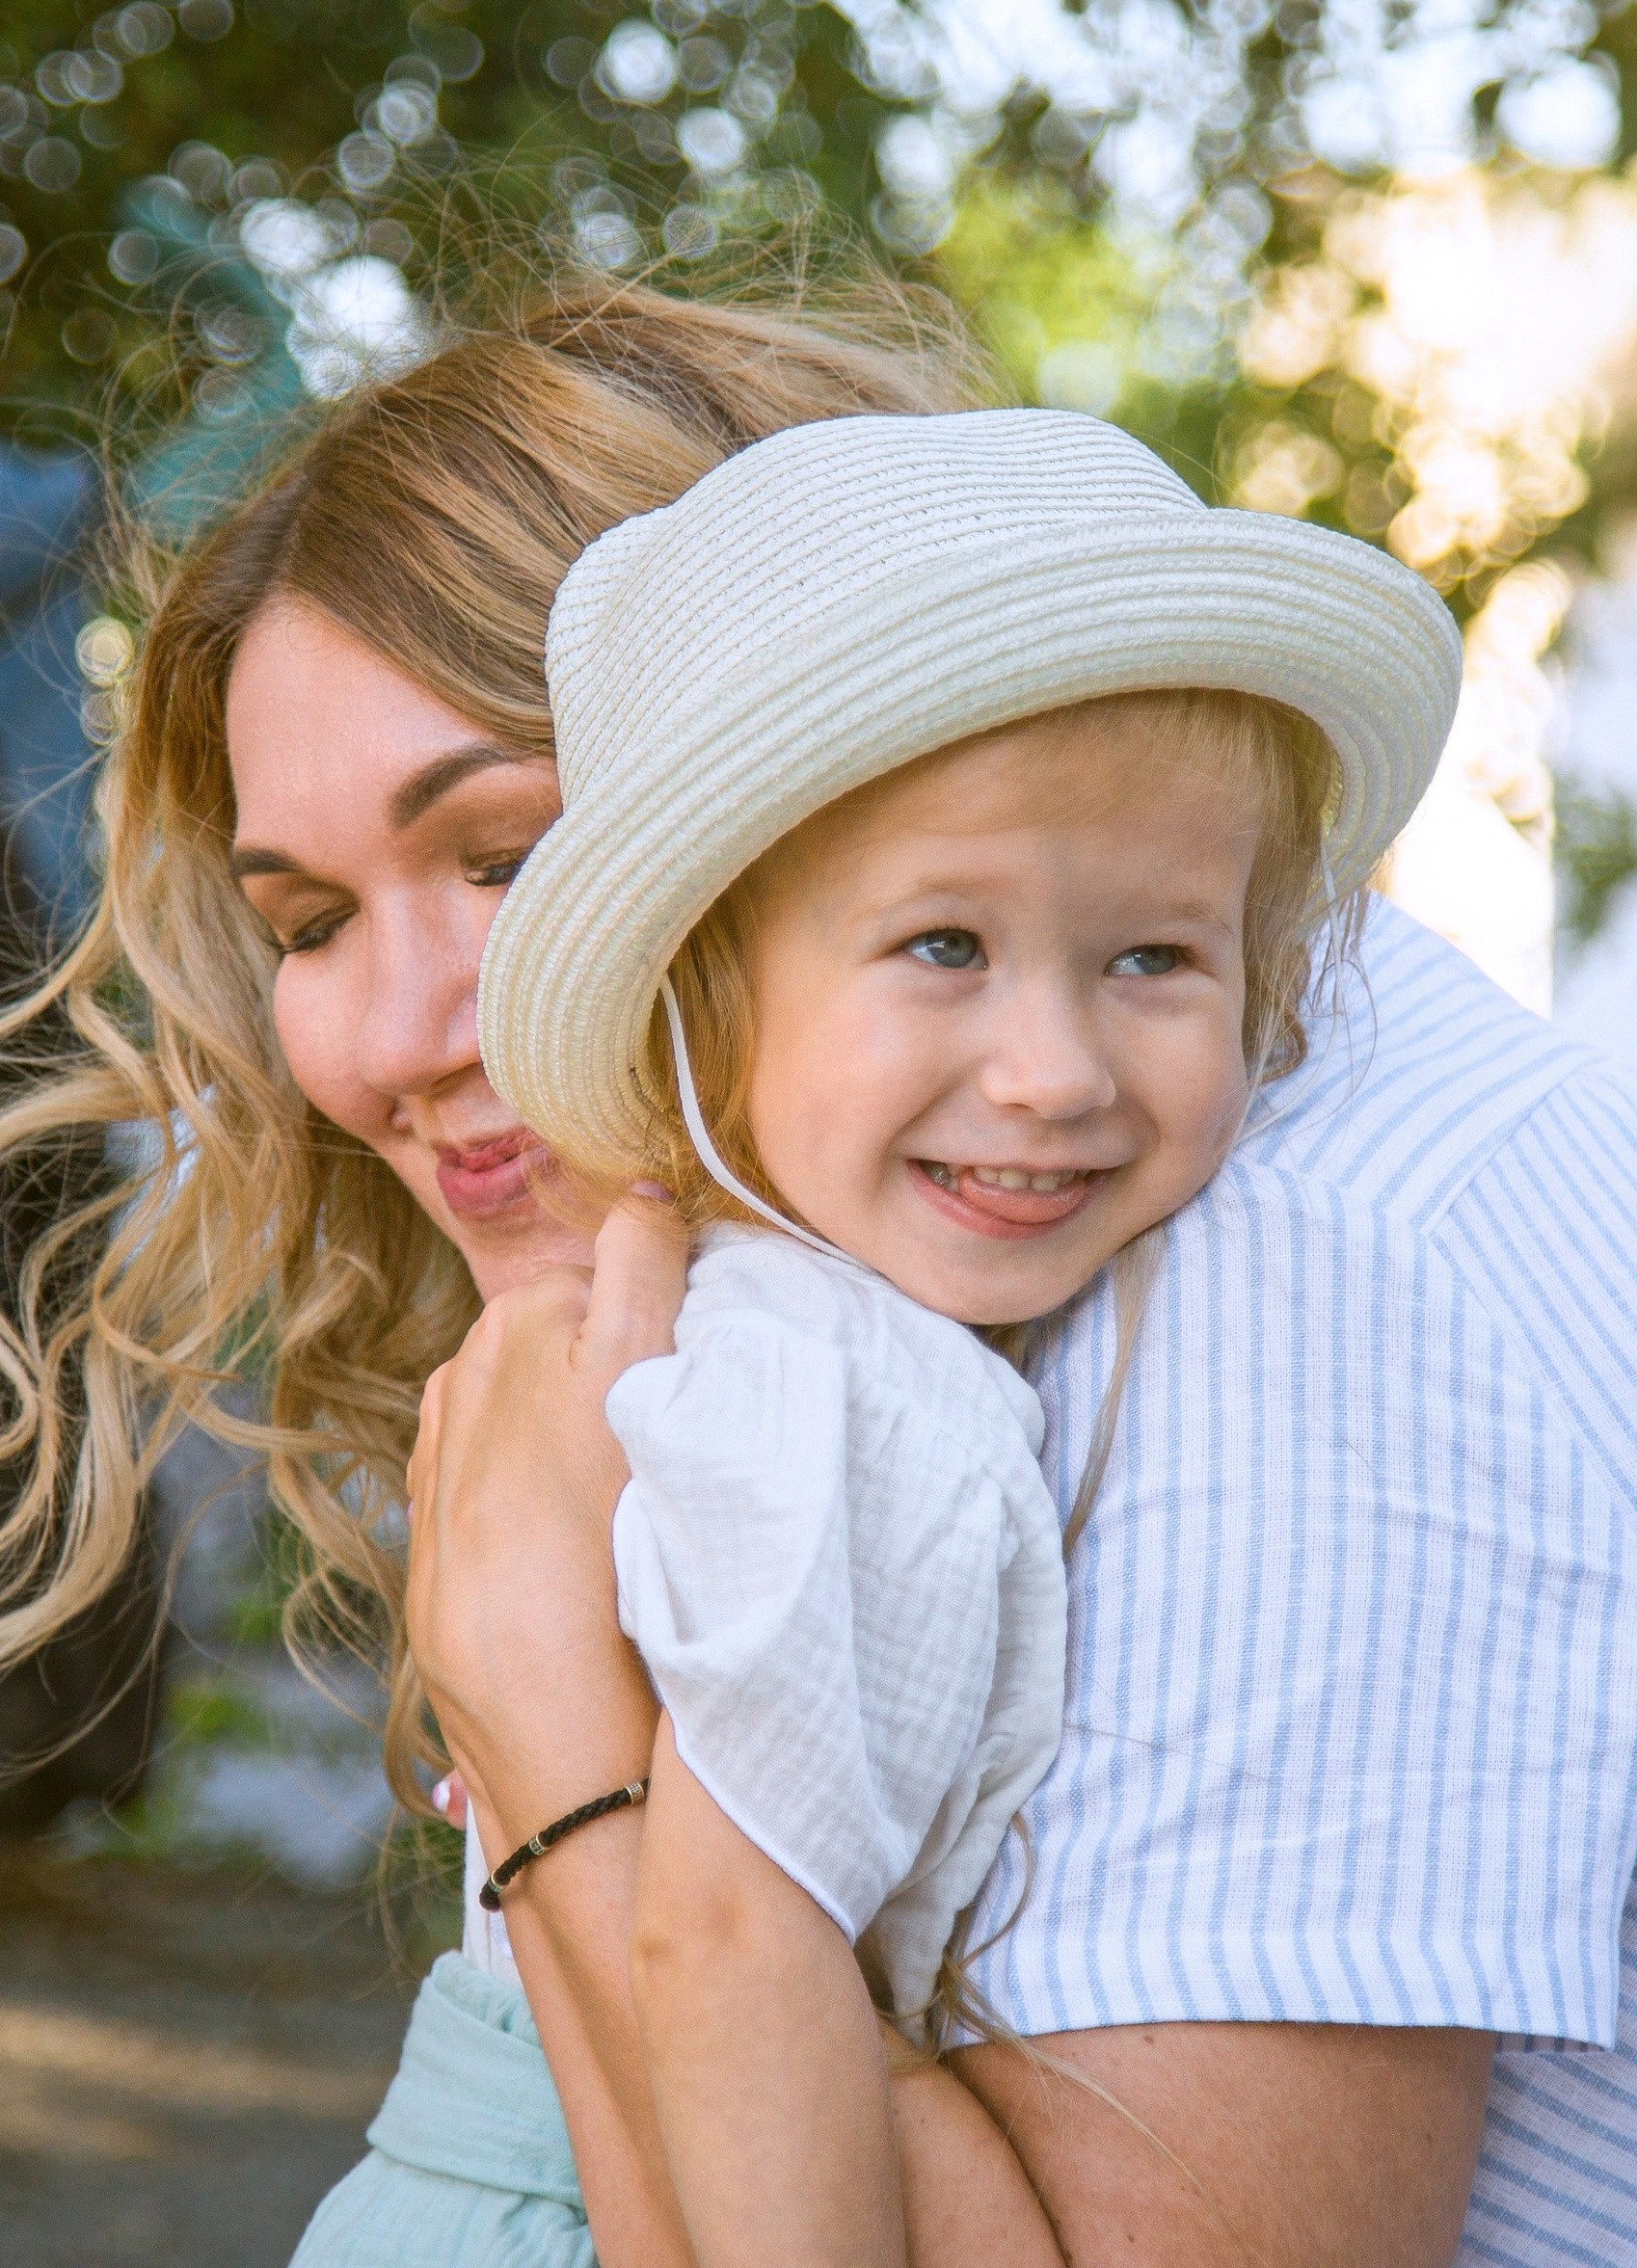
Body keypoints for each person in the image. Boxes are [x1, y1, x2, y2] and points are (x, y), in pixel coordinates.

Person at [0, 267, 1637, 2268]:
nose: (392, 1037)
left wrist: (549, 1714)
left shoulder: (1283, 1312)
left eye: (504, 857)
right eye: (307, 918)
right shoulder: (1009, 1240)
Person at [293, 399, 1463, 2264]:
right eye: (943, 947)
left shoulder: (816, 1339)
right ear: (712, 996)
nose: (1057, 1071)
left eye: (1157, 955)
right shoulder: (852, 1393)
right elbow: (725, 1931)